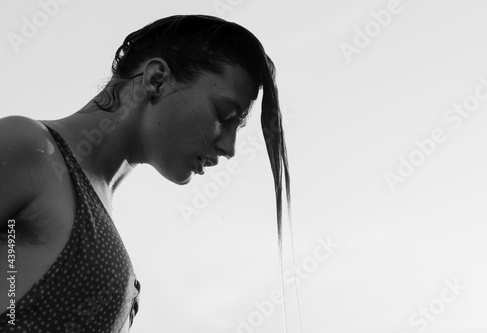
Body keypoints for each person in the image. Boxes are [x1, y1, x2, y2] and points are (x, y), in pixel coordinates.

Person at [0, 15, 290, 332]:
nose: (229, 148)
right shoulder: (29, 148)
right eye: (223, 115)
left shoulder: (90, 203)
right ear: (155, 80)